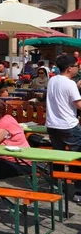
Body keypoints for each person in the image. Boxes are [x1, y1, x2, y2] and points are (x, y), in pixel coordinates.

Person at [46, 54, 81, 203]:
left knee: (59, 157)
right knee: (76, 158)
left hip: (53, 125)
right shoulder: (70, 84)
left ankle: (58, 187)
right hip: (68, 125)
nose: (77, 68)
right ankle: (78, 190)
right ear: (69, 68)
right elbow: (78, 104)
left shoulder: (52, 80)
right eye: (76, 66)